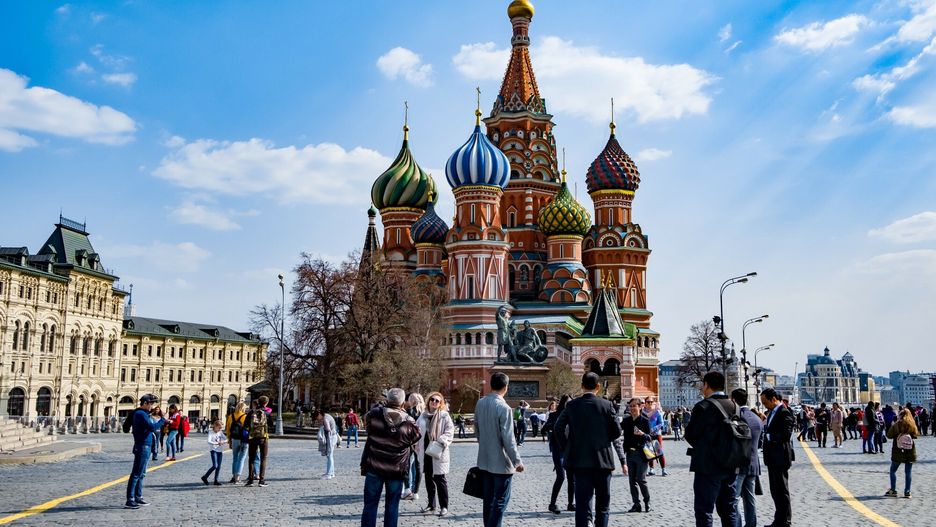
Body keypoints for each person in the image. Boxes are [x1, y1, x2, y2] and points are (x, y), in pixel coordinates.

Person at [555, 372, 622, 527]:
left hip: (579, 462)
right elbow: (617, 431)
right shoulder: (607, 405)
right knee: (603, 506)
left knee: (582, 506)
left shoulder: (572, 405)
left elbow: (558, 427)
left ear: (581, 385)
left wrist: (567, 447)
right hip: (602, 462)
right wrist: (604, 440)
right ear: (598, 387)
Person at [684, 371, 739, 527]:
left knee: (704, 511)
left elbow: (690, 434)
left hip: (707, 466)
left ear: (706, 385)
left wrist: (705, 446)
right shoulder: (734, 406)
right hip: (730, 464)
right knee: (729, 510)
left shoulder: (703, 406)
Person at [361, 388, 422, 527]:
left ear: (387, 400)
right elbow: (416, 436)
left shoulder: (374, 414)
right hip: (396, 468)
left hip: (375, 466)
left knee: (370, 505)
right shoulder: (408, 421)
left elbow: (367, 426)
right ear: (403, 403)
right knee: (392, 506)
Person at [475, 372, 524, 527]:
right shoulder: (504, 408)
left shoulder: (480, 403)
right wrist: (517, 461)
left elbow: (477, 429)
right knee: (501, 501)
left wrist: (484, 444)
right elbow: (509, 439)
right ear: (506, 387)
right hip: (502, 463)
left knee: (488, 500)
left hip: (484, 460)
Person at [415, 391, 455, 517]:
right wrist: (415, 444)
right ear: (428, 401)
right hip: (425, 451)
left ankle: (444, 506)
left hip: (438, 451)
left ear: (440, 403)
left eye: (437, 400)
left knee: (440, 479)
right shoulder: (422, 416)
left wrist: (440, 441)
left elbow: (450, 431)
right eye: (432, 399)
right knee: (428, 479)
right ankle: (431, 505)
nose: (434, 402)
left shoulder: (444, 416)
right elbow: (416, 430)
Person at [761, 388, 795, 527]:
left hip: (780, 456)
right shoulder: (772, 413)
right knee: (775, 491)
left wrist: (769, 437)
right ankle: (779, 519)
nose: (764, 405)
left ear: (773, 399)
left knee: (782, 490)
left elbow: (786, 434)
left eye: (765, 402)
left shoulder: (784, 412)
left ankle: (785, 520)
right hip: (772, 457)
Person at [124, 394, 165, 509]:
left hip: (146, 445)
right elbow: (152, 427)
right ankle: (130, 499)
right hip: (142, 446)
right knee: (136, 473)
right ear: (145, 403)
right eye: (151, 403)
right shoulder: (141, 414)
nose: (152, 406)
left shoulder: (144, 414)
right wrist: (163, 419)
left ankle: (138, 496)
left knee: (141, 474)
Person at [731, 389, 762, 527]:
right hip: (754, 463)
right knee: (750, 499)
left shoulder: (738, 418)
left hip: (739, 463)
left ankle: (737, 524)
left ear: (734, 400)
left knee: (734, 499)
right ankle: (751, 524)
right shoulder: (756, 417)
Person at [541, 395, 574, 514]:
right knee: (561, 476)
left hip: (570, 450)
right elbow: (544, 428)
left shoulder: (573, 416)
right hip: (558, 449)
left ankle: (571, 503)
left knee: (572, 478)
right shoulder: (554, 415)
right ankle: (552, 504)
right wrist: (555, 426)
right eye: (567, 403)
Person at [620, 397, 652, 513]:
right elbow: (617, 428)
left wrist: (642, 434)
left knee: (641, 479)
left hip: (642, 454)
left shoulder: (645, 420)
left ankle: (647, 502)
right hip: (630, 453)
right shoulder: (627, 421)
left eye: (634, 405)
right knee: (631, 480)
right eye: (631, 406)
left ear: (640, 407)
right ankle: (636, 504)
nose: (632, 408)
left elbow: (650, 438)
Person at [885, 408, 919, 498]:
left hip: (898, 451)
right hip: (910, 451)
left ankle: (893, 490)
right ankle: (907, 492)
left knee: (893, 471)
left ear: (900, 415)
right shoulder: (912, 424)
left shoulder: (897, 424)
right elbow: (916, 435)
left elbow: (889, 435)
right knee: (908, 472)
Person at [401, 393, 425, 502]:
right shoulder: (425, 413)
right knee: (418, 467)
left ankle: (407, 488)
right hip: (420, 442)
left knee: (406, 465)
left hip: (409, 442)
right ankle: (416, 492)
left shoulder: (408, 412)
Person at [245, 395, 271, 487]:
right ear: (266, 403)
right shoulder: (267, 413)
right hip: (263, 437)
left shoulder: (251, 412)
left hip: (252, 437)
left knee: (251, 458)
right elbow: (271, 424)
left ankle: (250, 480)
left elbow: (245, 425)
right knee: (263, 458)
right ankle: (261, 480)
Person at [642, 397, 667, 476]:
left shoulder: (657, 412)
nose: (650, 403)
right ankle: (651, 469)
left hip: (656, 434)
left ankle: (663, 469)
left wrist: (654, 429)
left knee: (659, 452)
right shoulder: (643, 413)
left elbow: (661, 423)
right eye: (648, 402)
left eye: (651, 402)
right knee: (649, 452)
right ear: (645, 403)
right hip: (647, 435)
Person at [225, 402, 249, 483]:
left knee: (235, 458)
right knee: (241, 458)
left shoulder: (230, 416)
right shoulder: (245, 417)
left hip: (234, 439)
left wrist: (229, 440)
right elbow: (248, 429)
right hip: (243, 440)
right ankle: (237, 477)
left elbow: (227, 429)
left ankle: (233, 476)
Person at [201, 420, 226, 486]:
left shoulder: (220, 432)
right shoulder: (211, 432)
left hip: (220, 451)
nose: (220, 429)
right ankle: (205, 477)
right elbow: (209, 441)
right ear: (215, 426)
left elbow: (226, 438)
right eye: (219, 427)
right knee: (215, 465)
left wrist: (223, 441)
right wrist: (217, 443)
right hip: (214, 451)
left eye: (221, 428)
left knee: (219, 467)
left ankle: (216, 480)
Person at [316, 408, 338, 479]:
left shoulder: (325, 419)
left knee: (329, 456)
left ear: (319, 414)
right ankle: (332, 473)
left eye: (317, 416)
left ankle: (329, 474)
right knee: (330, 456)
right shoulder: (327, 416)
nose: (317, 418)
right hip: (333, 436)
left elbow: (328, 430)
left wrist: (322, 428)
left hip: (331, 438)